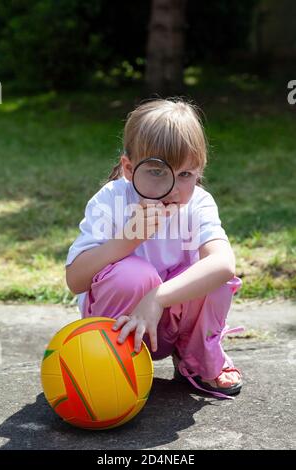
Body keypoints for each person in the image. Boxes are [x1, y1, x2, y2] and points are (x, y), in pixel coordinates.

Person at [65, 98, 244, 400]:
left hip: (169, 322)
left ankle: (196, 360)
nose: (174, 188)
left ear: (199, 171)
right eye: (158, 172)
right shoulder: (111, 201)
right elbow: (75, 280)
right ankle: (111, 362)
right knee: (133, 275)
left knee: (215, 279)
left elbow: (224, 264)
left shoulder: (198, 203)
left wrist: (158, 298)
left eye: (186, 174)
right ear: (128, 168)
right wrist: (128, 240)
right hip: (118, 322)